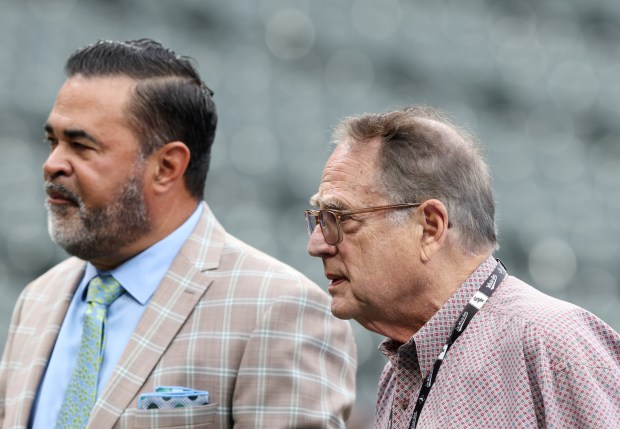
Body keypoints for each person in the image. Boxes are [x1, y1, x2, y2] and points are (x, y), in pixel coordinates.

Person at [0, 38, 357, 429]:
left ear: (167, 166)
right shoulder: (37, 300)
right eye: (52, 141)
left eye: (81, 146)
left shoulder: (280, 311)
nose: (52, 165)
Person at [305, 106, 620, 428]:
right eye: (317, 221)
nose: (316, 245)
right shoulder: (402, 367)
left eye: (339, 218)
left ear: (430, 228)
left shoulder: (551, 342)